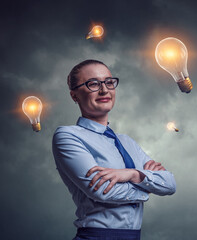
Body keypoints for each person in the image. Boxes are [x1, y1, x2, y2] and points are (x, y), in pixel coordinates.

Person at [52, 59, 176, 240]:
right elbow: (103, 191)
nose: (104, 90)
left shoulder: (127, 142)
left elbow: (170, 184)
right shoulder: (67, 136)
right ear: (74, 96)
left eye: (109, 82)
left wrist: (133, 175)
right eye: (93, 84)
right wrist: (148, 185)